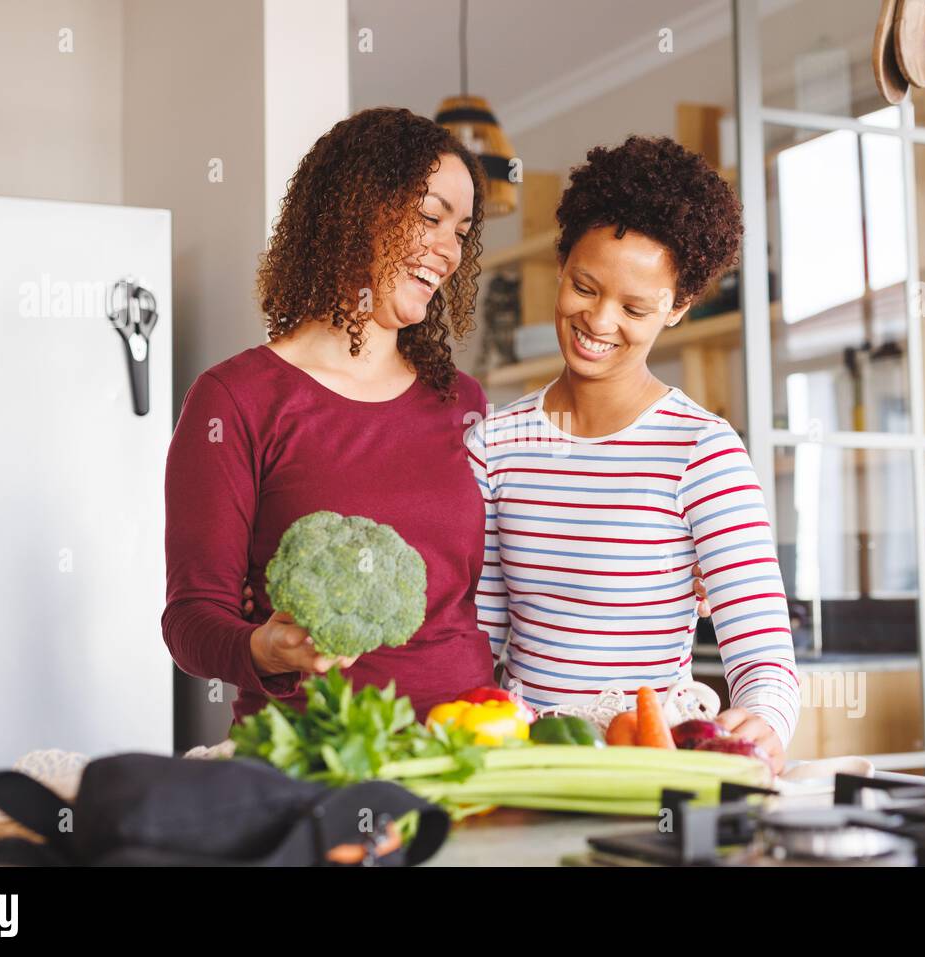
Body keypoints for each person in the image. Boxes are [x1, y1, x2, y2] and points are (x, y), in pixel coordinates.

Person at [465, 136, 800, 771]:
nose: (599, 321)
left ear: (677, 309)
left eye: (635, 307)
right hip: (520, 760)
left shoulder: (703, 453)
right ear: (562, 264)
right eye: (585, 286)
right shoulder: (494, 445)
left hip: (648, 758)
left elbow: (762, 654)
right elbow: (478, 639)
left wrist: (764, 721)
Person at [162, 108, 495, 725]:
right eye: (430, 216)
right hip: (316, 762)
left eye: (463, 231)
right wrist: (266, 648)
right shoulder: (236, 399)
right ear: (356, 209)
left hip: (471, 748)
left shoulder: (463, 403)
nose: (450, 252)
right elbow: (191, 621)